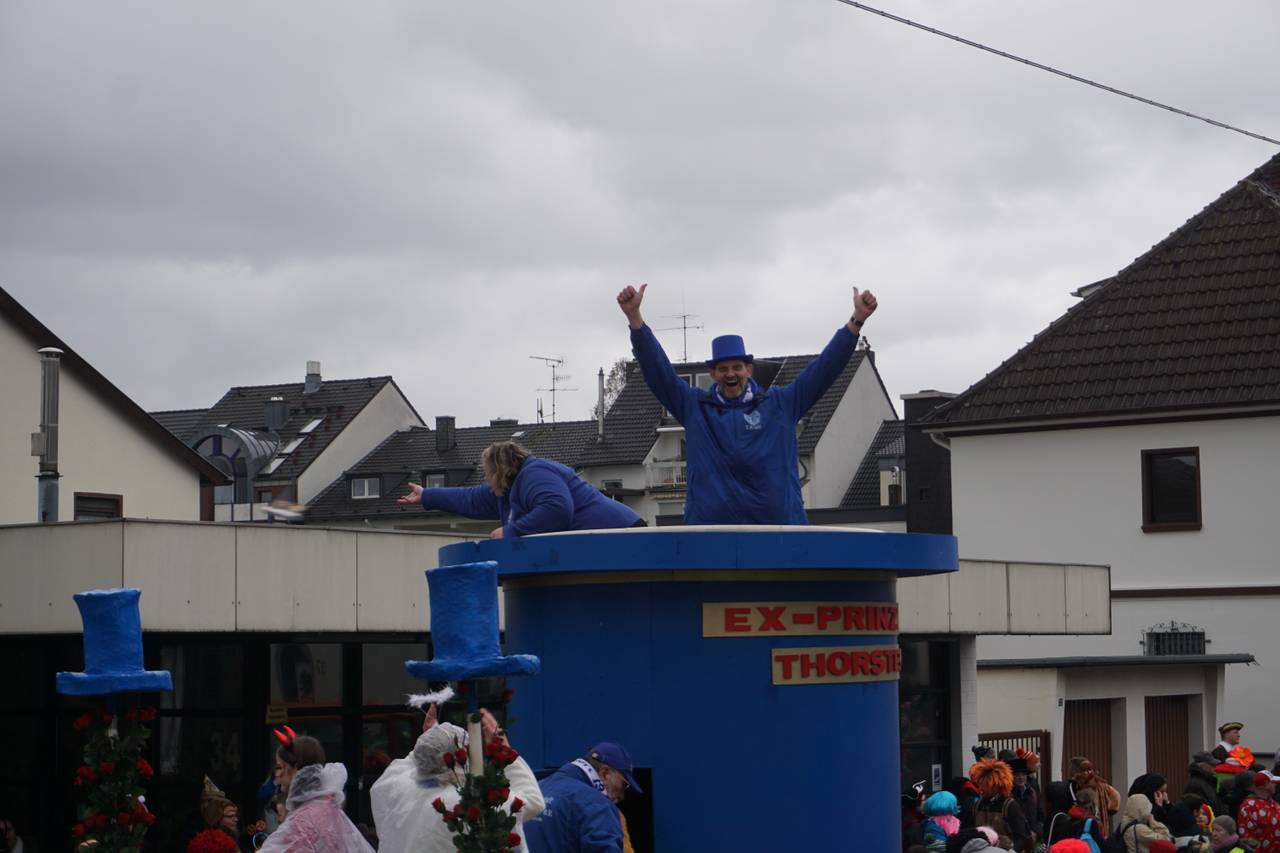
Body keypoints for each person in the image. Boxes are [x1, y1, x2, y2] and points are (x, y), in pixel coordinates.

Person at [617, 283, 877, 524]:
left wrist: (856, 321)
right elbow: (658, 372)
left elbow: (823, 370)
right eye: (723, 368)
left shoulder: (781, 405)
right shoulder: (695, 408)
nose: (730, 374)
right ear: (713, 373)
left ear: (749, 369)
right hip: (710, 538)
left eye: (737, 367)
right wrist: (635, 319)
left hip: (779, 536)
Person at [370, 703, 544, 853]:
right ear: (459, 758)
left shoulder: (396, 785)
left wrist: (431, 739)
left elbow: (416, 758)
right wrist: (504, 751)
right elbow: (534, 801)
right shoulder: (470, 802)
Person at [398, 440, 641, 537]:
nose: (486, 479)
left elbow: (557, 508)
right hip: (606, 540)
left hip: (625, 535)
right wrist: (427, 495)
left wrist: (511, 531)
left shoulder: (535, 474)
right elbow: (470, 499)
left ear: (499, 471)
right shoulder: (506, 491)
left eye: (487, 473)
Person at [259, 727, 373, 853]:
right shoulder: (327, 807)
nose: (277, 775)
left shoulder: (303, 819)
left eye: (280, 767)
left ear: (295, 769)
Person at [523, 742, 643, 853]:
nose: (622, 796)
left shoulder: (536, 788)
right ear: (605, 773)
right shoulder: (597, 805)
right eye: (624, 785)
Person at [970, 758, 1030, 851]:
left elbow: (1021, 837)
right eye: (980, 784)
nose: (980, 788)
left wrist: (1012, 851)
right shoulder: (977, 806)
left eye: (985, 785)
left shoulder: (1010, 806)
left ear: (996, 785)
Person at [1070, 757, 1122, 838]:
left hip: (1081, 831)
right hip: (1100, 830)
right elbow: (1116, 800)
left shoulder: (1073, 786)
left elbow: (1116, 798)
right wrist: (1107, 809)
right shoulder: (1102, 785)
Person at [1236, 771, 1280, 852]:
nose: (1275, 785)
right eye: (1273, 783)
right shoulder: (1248, 806)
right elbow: (1247, 837)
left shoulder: (1274, 803)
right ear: (1265, 784)